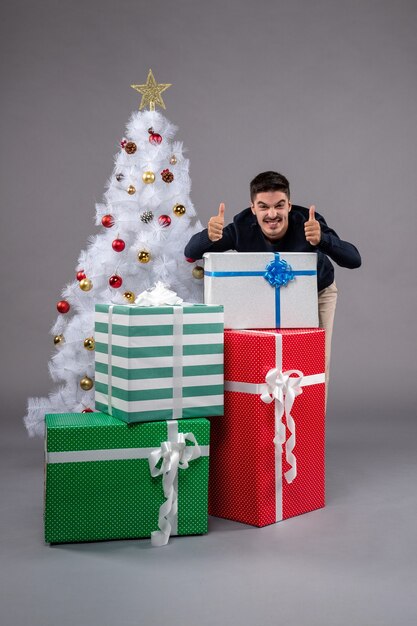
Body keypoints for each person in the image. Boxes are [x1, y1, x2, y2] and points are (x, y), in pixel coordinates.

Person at [185, 171, 361, 404]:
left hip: (315, 293)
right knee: (263, 359)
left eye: (279, 205)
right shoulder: (241, 226)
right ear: (253, 208)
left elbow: (354, 259)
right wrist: (209, 235)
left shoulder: (308, 223)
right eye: (263, 207)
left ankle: (311, 429)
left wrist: (323, 240)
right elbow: (190, 252)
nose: (272, 214)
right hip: (264, 295)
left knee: (315, 362)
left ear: (289, 205)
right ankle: (266, 424)